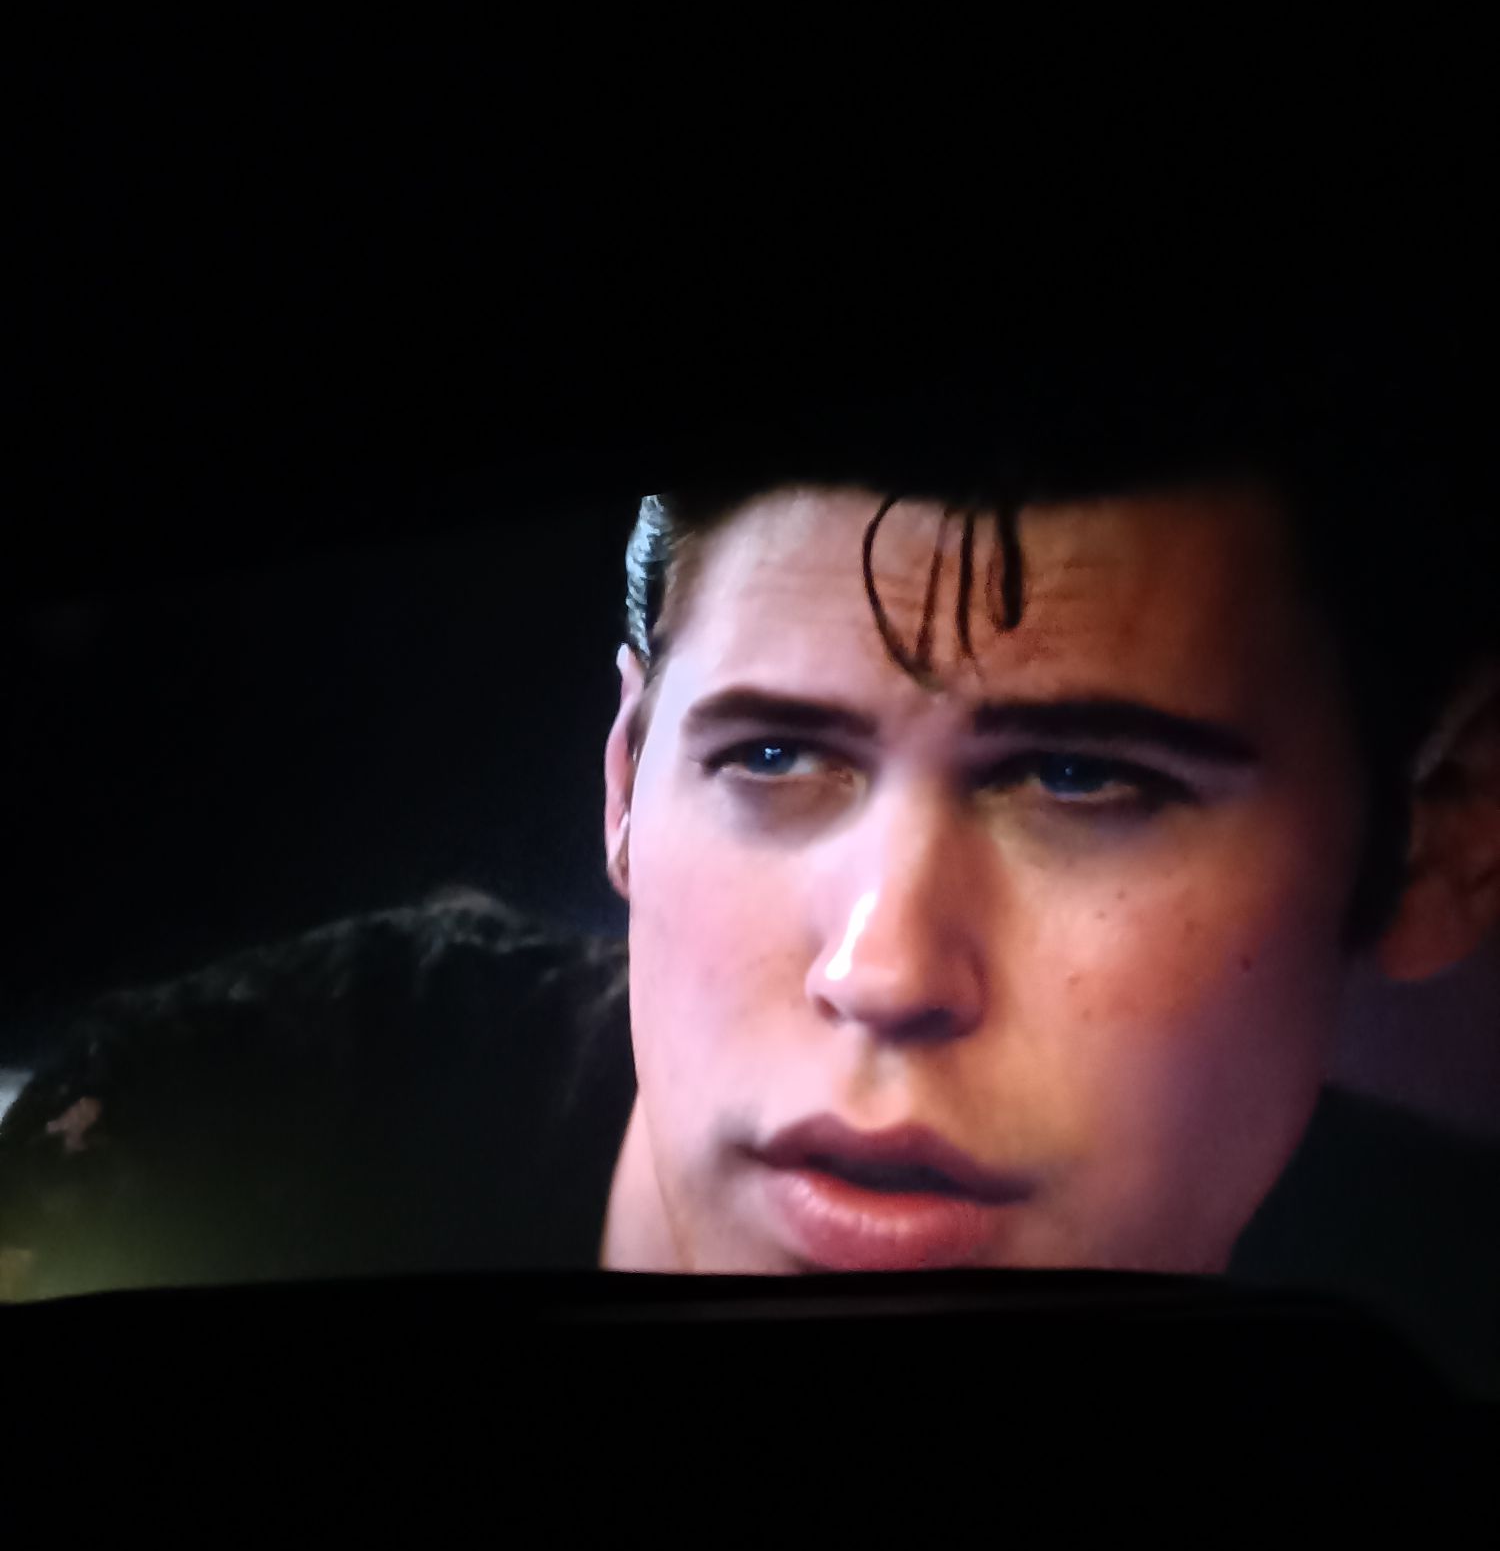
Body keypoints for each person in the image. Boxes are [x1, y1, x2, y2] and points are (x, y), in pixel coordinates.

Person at [3, 360, 1499, 1395]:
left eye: (1080, 778)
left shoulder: (1449, 1323)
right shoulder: (225, 1139)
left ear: (1440, 840)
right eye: (776, 756)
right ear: (625, 784)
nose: (881, 970)